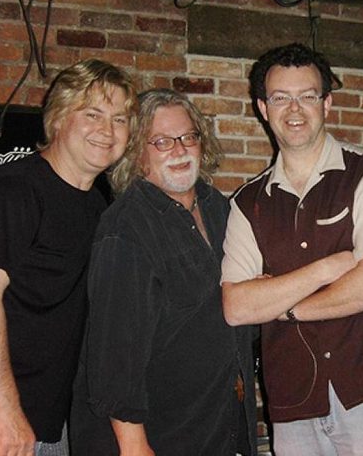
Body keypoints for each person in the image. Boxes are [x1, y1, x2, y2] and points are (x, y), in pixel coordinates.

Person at [221, 43, 363, 456]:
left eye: (307, 95)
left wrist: (283, 304)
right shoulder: (246, 203)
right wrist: (326, 269)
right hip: (294, 395)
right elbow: (236, 307)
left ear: (327, 103)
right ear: (263, 107)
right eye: (281, 97)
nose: (294, 109)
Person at [69, 89, 257, 456]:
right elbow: (113, 354)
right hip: (156, 434)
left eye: (189, 137)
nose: (179, 150)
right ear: (138, 155)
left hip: (214, 427)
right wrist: (134, 445)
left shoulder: (220, 209)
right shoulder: (125, 228)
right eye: (162, 142)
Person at [0, 59, 136, 456]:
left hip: (51, 422)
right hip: (9, 422)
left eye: (120, 119)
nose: (107, 131)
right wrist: (6, 410)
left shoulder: (98, 207)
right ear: (58, 118)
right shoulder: (16, 189)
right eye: (93, 114)